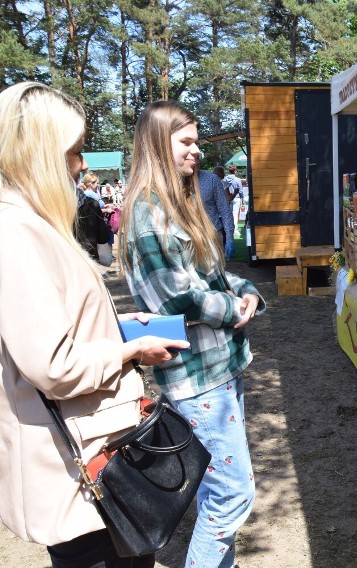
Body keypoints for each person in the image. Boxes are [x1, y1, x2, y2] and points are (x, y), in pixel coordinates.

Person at [0, 82, 188, 567]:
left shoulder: (30, 225)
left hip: (94, 457)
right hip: (79, 469)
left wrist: (118, 321)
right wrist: (131, 350)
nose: (81, 165)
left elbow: (55, 325)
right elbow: (52, 364)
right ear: (39, 153)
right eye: (75, 152)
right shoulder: (16, 232)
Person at [118, 100, 264, 568]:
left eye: (197, 141)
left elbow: (214, 274)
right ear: (159, 144)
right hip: (197, 379)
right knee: (232, 492)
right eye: (187, 141)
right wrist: (232, 310)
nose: (197, 151)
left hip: (221, 367)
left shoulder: (180, 204)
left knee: (216, 488)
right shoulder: (146, 213)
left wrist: (249, 293)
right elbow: (175, 298)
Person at [199, 168, 236, 259]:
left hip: (212, 234)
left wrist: (229, 239)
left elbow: (224, 208)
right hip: (185, 237)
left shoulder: (212, 179)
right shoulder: (172, 180)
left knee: (214, 270)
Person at [223, 164, 244, 237]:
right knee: (235, 215)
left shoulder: (225, 179)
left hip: (227, 198)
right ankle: (235, 230)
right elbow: (240, 190)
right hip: (236, 198)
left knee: (228, 214)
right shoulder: (237, 179)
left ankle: (228, 229)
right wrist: (242, 199)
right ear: (235, 171)